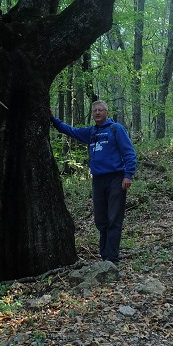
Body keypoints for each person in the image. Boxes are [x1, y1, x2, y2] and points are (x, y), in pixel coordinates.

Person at [51, 100, 136, 264]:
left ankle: (112, 259)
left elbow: (129, 152)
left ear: (107, 112)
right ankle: (105, 257)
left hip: (116, 178)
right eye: (95, 110)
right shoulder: (91, 132)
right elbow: (71, 131)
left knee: (114, 219)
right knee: (101, 220)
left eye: (100, 110)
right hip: (98, 180)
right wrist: (53, 119)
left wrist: (128, 175)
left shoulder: (116, 129)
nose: (97, 113)